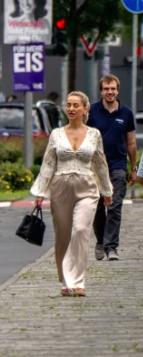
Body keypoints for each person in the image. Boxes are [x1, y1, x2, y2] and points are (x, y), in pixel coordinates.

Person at [31, 92, 112, 297]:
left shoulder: (94, 134)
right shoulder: (56, 134)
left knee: (81, 230)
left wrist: (107, 190)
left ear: (85, 109)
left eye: (76, 105)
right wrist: (40, 191)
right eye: (68, 105)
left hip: (87, 187)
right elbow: (48, 163)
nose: (71, 109)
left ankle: (78, 281)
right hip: (61, 188)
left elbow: (100, 164)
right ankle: (66, 282)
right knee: (63, 235)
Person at [88, 75, 136, 261]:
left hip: (118, 164)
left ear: (118, 90)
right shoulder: (91, 112)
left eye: (113, 89)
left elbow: (131, 141)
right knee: (98, 206)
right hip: (95, 167)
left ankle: (111, 247)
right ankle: (100, 240)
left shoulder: (126, 113)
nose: (110, 92)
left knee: (115, 205)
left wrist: (133, 168)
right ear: (101, 91)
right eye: (106, 89)